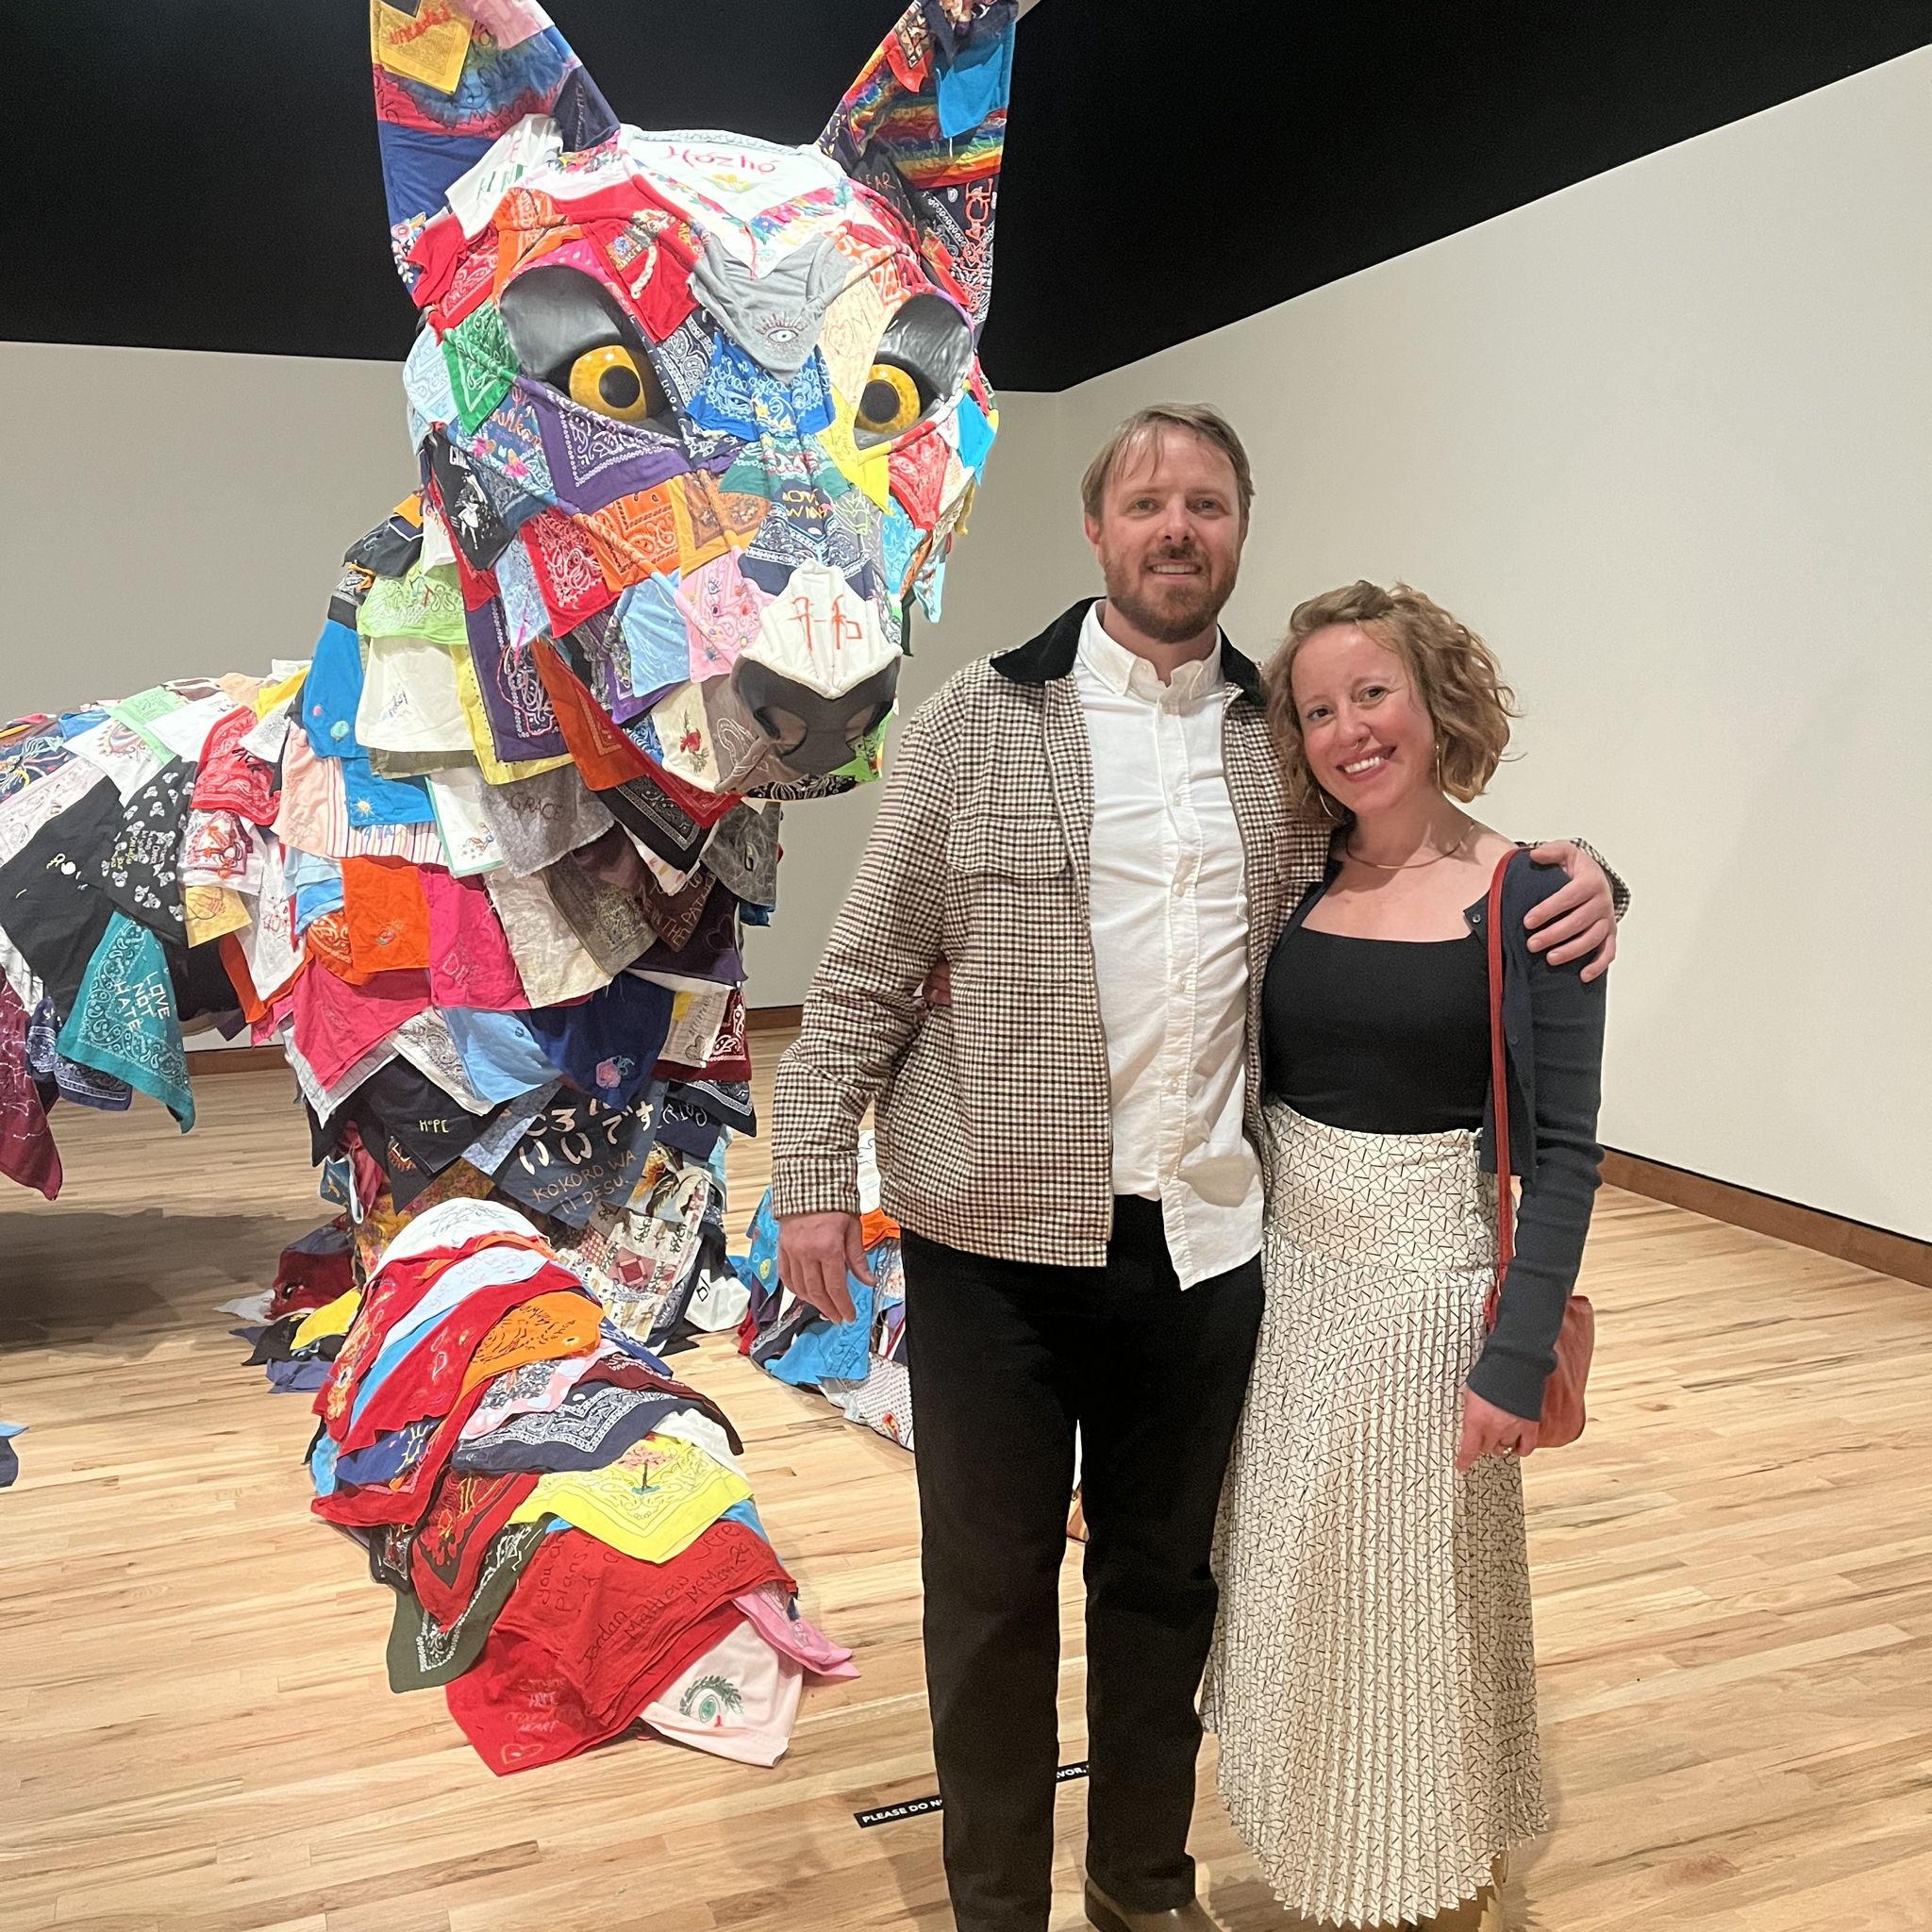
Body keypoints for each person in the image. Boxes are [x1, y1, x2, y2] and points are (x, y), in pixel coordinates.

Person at [769, 405, 1622, 1932]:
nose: (1178, 528)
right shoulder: (976, 720)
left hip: (1211, 1250)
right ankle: (997, 1909)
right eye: (1148, 502)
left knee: (1166, 1583)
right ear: (1097, 529)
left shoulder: (1275, 742)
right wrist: (812, 1169)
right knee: (989, 1599)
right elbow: (870, 961)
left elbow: (1419, 854)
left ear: (1238, 530)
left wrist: (1594, 877)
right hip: (993, 1251)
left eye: (1208, 504)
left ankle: (1139, 1882)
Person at [1204, 581, 1609, 1932]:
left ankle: (1433, 1878)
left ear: (1436, 700)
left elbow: (1567, 1156)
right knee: (1299, 1595)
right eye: (1318, 709)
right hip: (1291, 1290)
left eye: (1372, 693)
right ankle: (1331, 1852)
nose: (1349, 730)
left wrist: (1513, 1358)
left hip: (1427, 1302)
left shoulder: (1531, 894)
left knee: (1413, 1620)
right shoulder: (1304, 871)